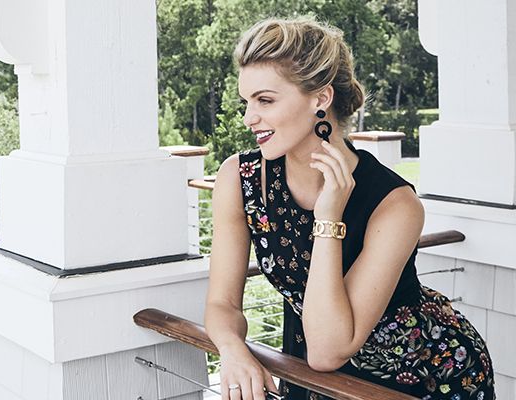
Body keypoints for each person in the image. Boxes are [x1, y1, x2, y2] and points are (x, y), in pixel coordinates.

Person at [204, 17, 495, 400]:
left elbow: (327, 351)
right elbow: (222, 303)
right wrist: (232, 349)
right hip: (310, 372)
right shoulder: (240, 179)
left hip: (424, 377)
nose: (248, 118)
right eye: (247, 101)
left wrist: (328, 218)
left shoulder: (395, 204)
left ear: (320, 99)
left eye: (265, 100)